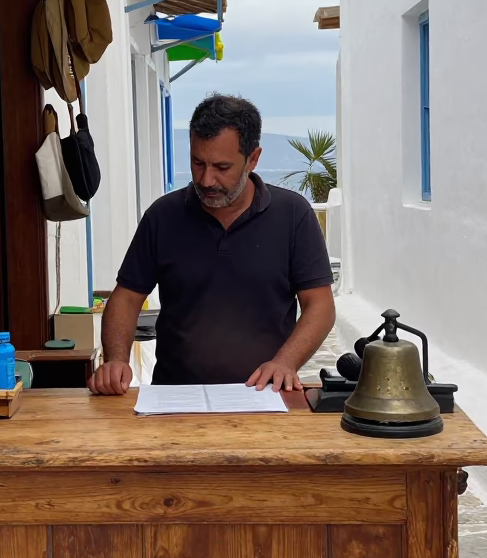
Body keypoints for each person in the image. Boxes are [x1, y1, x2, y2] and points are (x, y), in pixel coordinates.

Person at [88, 94, 335, 395]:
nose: (206, 179)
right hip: (174, 400)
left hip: (263, 397)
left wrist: (286, 362)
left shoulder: (293, 215)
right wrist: (116, 360)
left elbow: (320, 306)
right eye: (197, 162)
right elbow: (126, 299)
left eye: (221, 166)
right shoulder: (162, 216)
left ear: (253, 158)